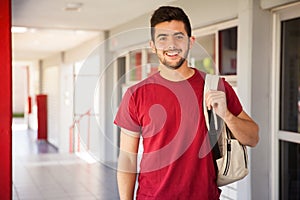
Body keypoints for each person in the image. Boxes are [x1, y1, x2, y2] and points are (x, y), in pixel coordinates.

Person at [114, 6, 259, 200]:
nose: (171, 44)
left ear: (191, 41)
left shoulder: (216, 86)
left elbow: (253, 138)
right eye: (163, 38)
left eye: (178, 36)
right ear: (153, 45)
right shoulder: (136, 94)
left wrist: (227, 115)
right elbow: (127, 158)